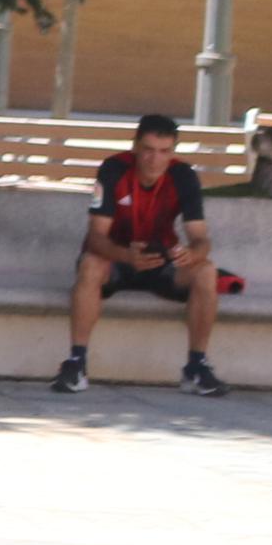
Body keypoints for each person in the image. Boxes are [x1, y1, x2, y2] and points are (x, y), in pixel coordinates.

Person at [57, 111, 228, 396]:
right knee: (90, 264)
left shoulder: (183, 176)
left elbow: (201, 239)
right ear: (135, 147)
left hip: (161, 261)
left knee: (206, 270)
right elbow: (96, 237)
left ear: (172, 152)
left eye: (164, 152)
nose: (155, 159)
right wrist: (126, 256)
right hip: (117, 259)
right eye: (148, 150)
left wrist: (192, 254)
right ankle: (76, 363)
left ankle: (196, 367)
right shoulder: (113, 169)